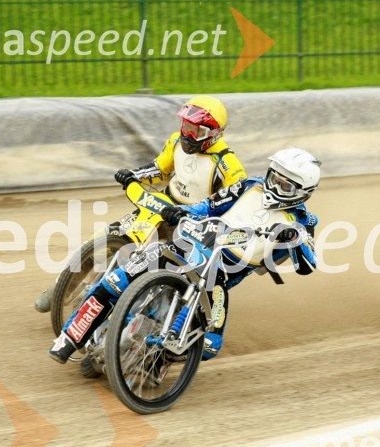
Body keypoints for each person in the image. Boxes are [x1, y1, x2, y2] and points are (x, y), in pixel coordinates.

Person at [49, 147, 321, 364]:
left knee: (211, 346)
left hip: (219, 276)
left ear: (301, 193)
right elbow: (209, 206)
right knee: (116, 281)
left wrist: (293, 237)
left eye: (284, 186)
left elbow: (308, 264)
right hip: (188, 246)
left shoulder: (302, 221)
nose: (274, 186)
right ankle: (70, 337)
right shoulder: (248, 186)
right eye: (274, 177)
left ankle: (158, 358)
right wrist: (181, 212)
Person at [34, 95, 247, 313]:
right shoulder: (176, 142)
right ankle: (62, 288)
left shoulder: (227, 163)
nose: (188, 135)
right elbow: (159, 169)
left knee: (161, 266)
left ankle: (144, 313)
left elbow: (236, 201)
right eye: (186, 126)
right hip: (162, 204)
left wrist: (208, 221)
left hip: (192, 221)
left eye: (196, 131)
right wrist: (133, 175)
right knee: (108, 236)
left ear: (214, 133)